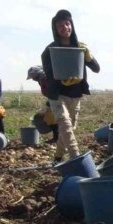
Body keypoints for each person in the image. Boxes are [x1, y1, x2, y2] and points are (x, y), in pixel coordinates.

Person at [41, 10, 101, 164]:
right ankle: (77, 160)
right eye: (60, 25)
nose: (65, 27)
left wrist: (89, 56)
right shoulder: (49, 51)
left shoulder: (80, 48)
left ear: (71, 25)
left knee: (67, 129)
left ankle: (57, 158)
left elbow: (96, 68)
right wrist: (61, 81)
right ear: (55, 29)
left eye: (67, 24)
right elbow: (49, 74)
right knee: (65, 124)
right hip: (57, 95)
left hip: (75, 94)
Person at [27, 65, 59, 143]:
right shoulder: (42, 79)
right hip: (52, 99)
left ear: (37, 74)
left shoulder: (45, 78)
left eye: (33, 77)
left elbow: (53, 91)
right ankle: (57, 137)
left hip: (56, 99)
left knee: (51, 118)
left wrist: (48, 105)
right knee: (51, 118)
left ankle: (57, 138)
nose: (33, 79)